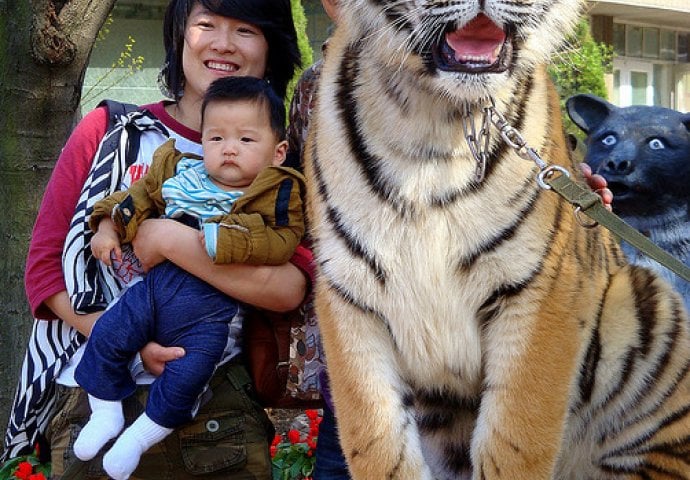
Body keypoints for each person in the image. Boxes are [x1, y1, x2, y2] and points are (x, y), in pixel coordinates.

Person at [13, 1, 306, 478]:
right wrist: (127, 337)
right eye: (205, 25)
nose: (222, 43)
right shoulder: (112, 131)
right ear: (178, 34)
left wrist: (171, 240)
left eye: (245, 29)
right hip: (94, 395)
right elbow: (45, 270)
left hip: (216, 410)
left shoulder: (279, 167)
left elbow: (291, 286)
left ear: (271, 46)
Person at [72, 75, 304, 480]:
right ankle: (106, 411)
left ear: (278, 151)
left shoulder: (278, 194)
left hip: (209, 314)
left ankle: (138, 438)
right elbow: (134, 199)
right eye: (216, 139)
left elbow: (283, 242)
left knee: (191, 373)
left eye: (246, 141)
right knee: (110, 332)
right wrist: (108, 227)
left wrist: (221, 243)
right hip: (152, 291)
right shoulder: (181, 173)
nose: (229, 148)